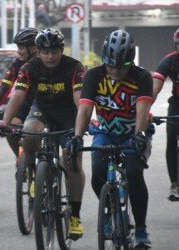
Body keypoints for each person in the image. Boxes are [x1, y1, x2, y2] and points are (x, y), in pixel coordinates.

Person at [0, 28, 86, 240]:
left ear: (62, 50)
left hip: (67, 114)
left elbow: (80, 99)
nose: (50, 57)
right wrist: (5, 121)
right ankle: (36, 174)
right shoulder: (29, 67)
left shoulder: (74, 67)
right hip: (42, 110)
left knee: (72, 161)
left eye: (55, 51)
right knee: (29, 132)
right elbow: (18, 95)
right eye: (45, 52)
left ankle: (75, 216)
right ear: (39, 51)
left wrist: (82, 125)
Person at [69, 30, 153, 248]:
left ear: (131, 61)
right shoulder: (94, 75)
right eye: (111, 66)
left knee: (134, 173)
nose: (115, 71)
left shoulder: (142, 77)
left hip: (132, 132)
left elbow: (143, 110)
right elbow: (85, 109)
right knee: (97, 171)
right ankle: (109, 212)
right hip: (105, 131)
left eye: (122, 67)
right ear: (104, 59)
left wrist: (140, 135)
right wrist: (78, 137)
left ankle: (141, 229)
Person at [0, 27, 39, 160]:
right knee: (10, 128)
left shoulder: (46, 63)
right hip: (25, 104)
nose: (18, 52)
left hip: (45, 105)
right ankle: (22, 160)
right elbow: (4, 89)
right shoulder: (17, 64)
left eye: (21, 48)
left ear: (33, 48)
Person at [152, 27, 179, 199]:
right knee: (171, 138)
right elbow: (154, 88)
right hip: (177, 104)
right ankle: (175, 184)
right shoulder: (170, 61)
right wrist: (144, 110)